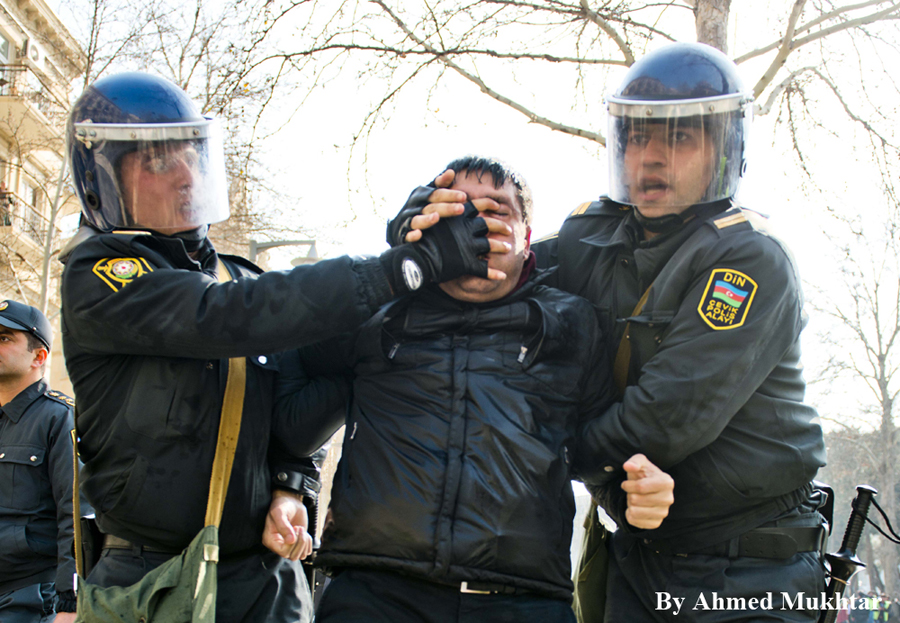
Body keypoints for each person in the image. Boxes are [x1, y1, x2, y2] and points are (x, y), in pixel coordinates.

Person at [388, 43, 827, 622]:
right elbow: (494, 270)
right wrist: (417, 234)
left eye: (680, 139)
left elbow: (661, 421)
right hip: (638, 555)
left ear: (723, 147)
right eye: (640, 137)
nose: (652, 158)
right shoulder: (593, 234)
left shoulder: (748, 260)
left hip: (748, 568)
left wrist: (528, 451)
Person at [60, 72, 502, 623]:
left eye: (189, 155)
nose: (183, 175)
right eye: (154, 161)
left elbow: (301, 402)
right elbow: (226, 317)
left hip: (263, 576)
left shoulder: (236, 278)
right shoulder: (101, 274)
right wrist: (400, 269)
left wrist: (291, 486)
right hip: (153, 579)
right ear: (101, 180)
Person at [277, 156, 675, 623]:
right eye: (460, 210)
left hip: (524, 601)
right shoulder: (376, 308)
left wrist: (636, 499)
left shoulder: (576, 324)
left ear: (527, 238)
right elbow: (285, 383)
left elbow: (600, 457)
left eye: (499, 210)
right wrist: (286, 483)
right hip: (374, 594)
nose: (480, 224)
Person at [0, 300, 87, 623]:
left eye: (5, 337)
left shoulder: (60, 417)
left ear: (39, 357)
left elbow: (77, 516)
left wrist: (70, 603)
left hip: (28, 596)